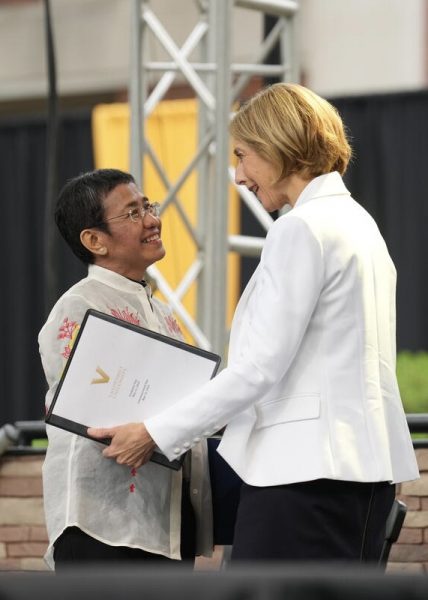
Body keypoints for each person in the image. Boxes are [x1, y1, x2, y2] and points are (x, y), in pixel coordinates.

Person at [88, 84, 419, 563]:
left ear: (279, 144)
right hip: (363, 475)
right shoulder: (359, 224)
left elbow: (260, 368)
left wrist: (154, 431)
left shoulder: (300, 228)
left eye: (243, 156)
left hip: (302, 477)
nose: (239, 176)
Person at [38, 168, 212, 570]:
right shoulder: (79, 305)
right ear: (94, 240)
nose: (153, 220)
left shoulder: (164, 313)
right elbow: (93, 411)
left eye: (147, 206)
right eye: (132, 213)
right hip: (102, 525)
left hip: (166, 524)